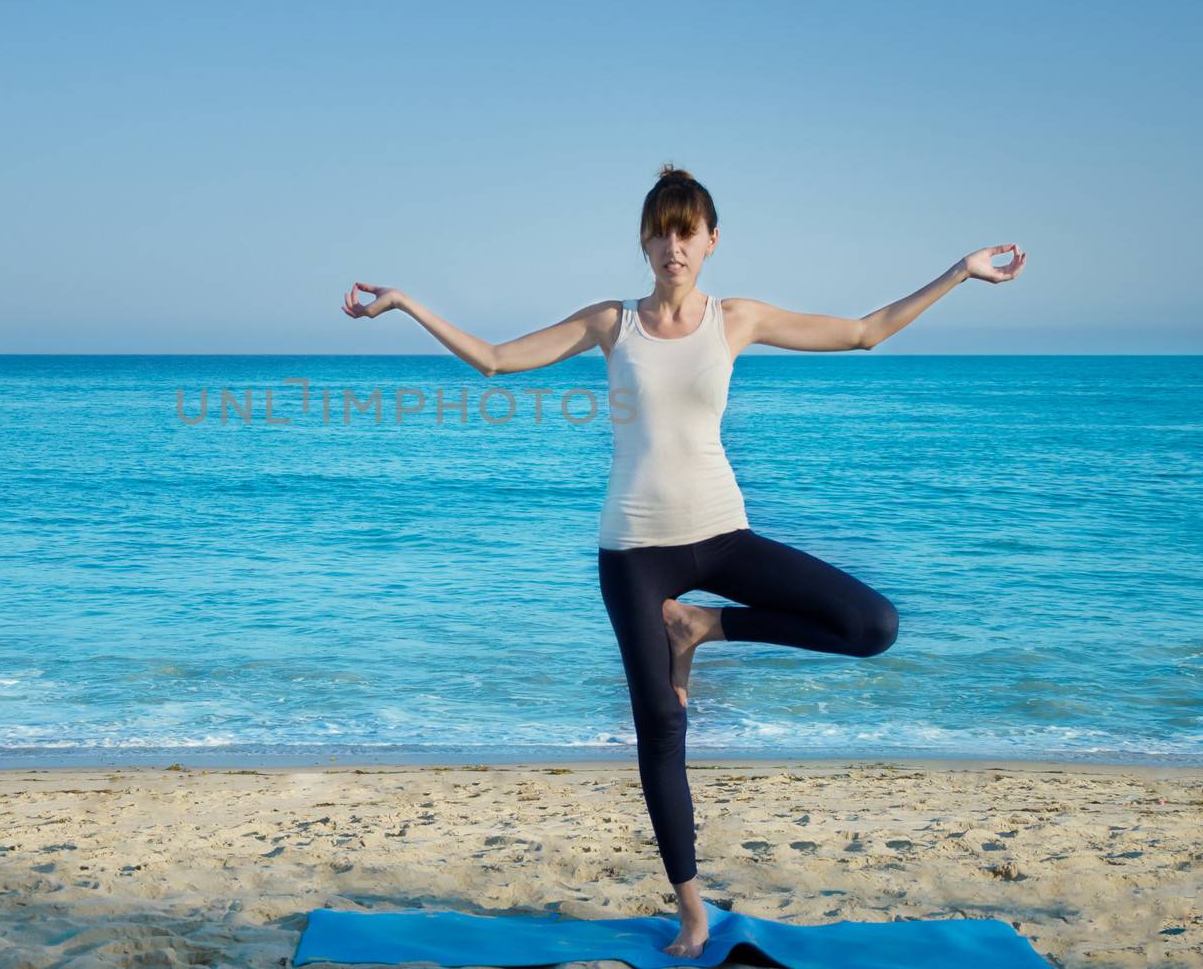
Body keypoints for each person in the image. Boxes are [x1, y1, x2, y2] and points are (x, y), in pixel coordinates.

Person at [341, 163, 1026, 959]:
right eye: (661, 230)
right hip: (633, 550)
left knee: (873, 623)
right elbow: (495, 358)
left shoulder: (734, 320)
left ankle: (706, 624)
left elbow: (866, 331)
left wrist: (961, 273)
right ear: (645, 241)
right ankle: (691, 907)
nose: (674, 244)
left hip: (721, 535)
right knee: (662, 723)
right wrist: (406, 303)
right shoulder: (611, 323)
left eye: (687, 230)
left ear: (711, 240)